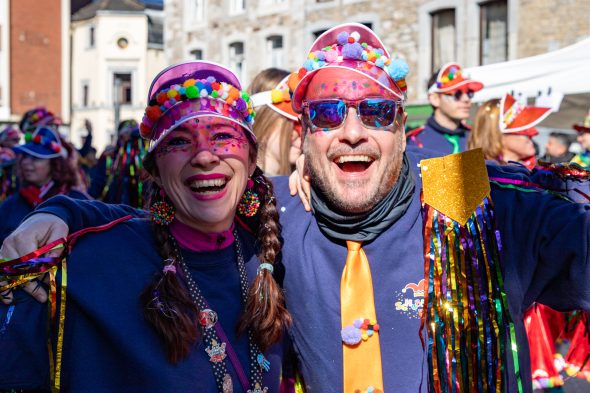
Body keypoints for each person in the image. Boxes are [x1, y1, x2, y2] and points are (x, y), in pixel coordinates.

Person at [3, 24, 590, 393]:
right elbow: (159, 220)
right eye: (330, 114)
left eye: (377, 113)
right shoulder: (278, 211)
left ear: (404, 128)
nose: (353, 132)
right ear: (302, 136)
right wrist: (58, 215)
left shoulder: (460, 191)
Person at [0, 61, 291, 392]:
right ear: (153, 169)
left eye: (223, 136)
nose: (205, 155)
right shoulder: (83, 264)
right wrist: (57, 213)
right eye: (180, 141)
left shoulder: (275, 247)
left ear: (252, 159)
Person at [0, 125, 89, 243]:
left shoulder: (75, 202)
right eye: (25, 156)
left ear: (55, 164)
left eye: (36, 158)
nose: (26, 162)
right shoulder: (11, 204)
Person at [407, 62, 483, 155]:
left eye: (469, 93)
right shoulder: (416, 141)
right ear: (435, 99)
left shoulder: (476, 137)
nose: (466, 99)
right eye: (457, 94)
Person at [468, 94, 551, 170]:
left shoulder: (542, 173)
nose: (534, 132)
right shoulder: (472, 172)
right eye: (523, 129)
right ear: (497, 136)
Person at [249, 68, 302, 176]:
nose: (302, 132)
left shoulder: (304, 186)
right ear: (264, 121)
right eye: (294, 123)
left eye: (305, 122)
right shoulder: (240, 187)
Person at [88, 119, 149, 207]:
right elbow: (97, 185)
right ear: (120, 137)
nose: (131, 141)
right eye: (126, 134)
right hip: (112, 211)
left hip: (138, 212)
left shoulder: (143, 161)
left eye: (135, 138)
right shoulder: (109, 157)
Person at [0, 124, 21, 202]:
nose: (17, 143)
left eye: (18, 140)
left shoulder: (15, 153)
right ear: (4, 140)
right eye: (14, 140)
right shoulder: (5, 153)